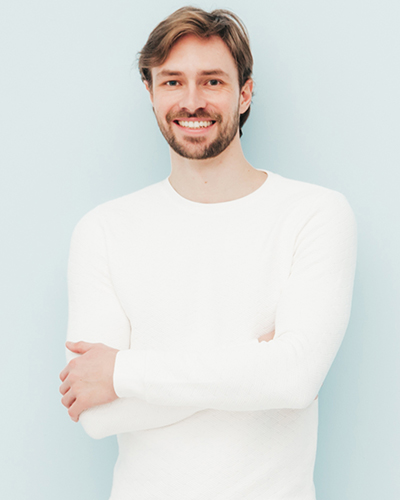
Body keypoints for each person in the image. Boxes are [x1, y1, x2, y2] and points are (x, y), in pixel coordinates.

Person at [59, 6, 357, 499]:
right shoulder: (104, 230)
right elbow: (96, 413)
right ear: (151, 93)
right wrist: (255, 366)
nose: (192, 101)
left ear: (245, 93)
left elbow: (294, 379)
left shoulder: (314, 214)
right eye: (172, 82)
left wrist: (122, 372)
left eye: (212, 81)